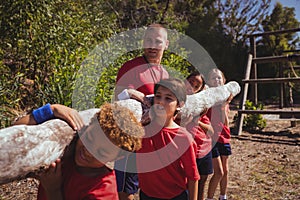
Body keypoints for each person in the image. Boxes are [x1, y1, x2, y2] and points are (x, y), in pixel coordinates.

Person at [14, 103, 144, 200]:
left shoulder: (103, 192)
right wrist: (50, 110)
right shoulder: (67, 151)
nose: (89, 151)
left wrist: (53, 189)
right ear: (86, 128)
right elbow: (14, 135)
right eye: (89, 138)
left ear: (116, 158)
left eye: (101, 152)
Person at [114, 23, 170, 200]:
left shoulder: (166, 74)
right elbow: (118, 99)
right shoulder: (131, 66)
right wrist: (133, 93)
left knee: (149, 189)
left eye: (158, 41)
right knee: (126, 191)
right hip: (131, 140)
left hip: (155, 142)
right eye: (149, 40)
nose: (153, 46)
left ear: (166, 44)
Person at [137, 78, 200, 200]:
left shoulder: (183, 138)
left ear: (180, 104)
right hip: (146, 195)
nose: (161, 102)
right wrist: (128, 93)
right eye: (158, 96)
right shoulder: (141, 131)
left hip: (175, 196)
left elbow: (193, 176)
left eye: (168, 98)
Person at [183, 71, 214, 200]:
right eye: (191, 82)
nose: (192, 87)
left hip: (204, 149)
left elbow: (211, 131)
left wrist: (198, 121)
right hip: (188, 150)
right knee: (186, 185)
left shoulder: (200, 107)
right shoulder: (175, 102)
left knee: (201, 184)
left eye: (196, 86)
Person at [205, 68, 233, 200]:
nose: (217, 80)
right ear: (209, 82)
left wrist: (223, 107)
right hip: (212, 138)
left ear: (224, 81)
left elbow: (226, 122)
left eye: (219, 78)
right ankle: (210, 197)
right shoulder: (208, 96)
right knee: (219, 172)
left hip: (224, 136)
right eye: (213, 78)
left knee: (225, 171)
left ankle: (223, 196)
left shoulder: (225, 98)